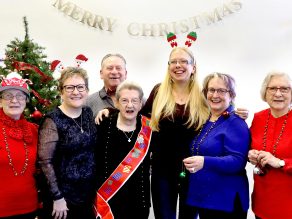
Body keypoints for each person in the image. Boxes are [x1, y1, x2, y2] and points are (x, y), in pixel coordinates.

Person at [140, 46, 210, 219]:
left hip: (193, 169)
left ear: (193, 67)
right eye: (174, 62)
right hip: (161, 169)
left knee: (190, 216)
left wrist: (235, 112)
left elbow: (220, 116)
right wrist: (111, 112)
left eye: (184, 61)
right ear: (168, 66)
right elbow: (138, 118)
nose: (178, 65)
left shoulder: (203, 95)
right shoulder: (158, 92)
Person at [183, 73, 250, 219]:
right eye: (211, 90)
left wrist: (204, 161)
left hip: (226, 201)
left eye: (221, 91)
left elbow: (238, 161)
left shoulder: (236, 122)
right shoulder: (206, 119)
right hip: (205, 198)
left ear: (231, 95)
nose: (215, 95)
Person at [38, 67, 97, 219]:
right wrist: (57, 198)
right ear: (61, 91)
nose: (75, 92)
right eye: (69, 87)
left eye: (80, 87)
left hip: (87, 195)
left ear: (87, 90)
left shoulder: (88, 113)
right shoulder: (52, 120)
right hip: (63, 200)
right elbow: (45, 162)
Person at [95, 80, 152, 219]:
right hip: (108, 199)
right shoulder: (103, 124)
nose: (130, 105)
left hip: (139, 200)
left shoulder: (150, 128)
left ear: (140, 104)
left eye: (134, 100)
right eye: (124, 100)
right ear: (117, 103)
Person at [248, 72, 292, 219]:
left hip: (288, 206)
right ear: (265, 93)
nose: (278, 93)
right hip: (262, 203)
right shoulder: (258, 117)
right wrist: (251, 155)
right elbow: (249, 146)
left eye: (284, 89)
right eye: (272, 88)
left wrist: (280, 162)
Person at [0, 72, 38, 219]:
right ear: (1, 101)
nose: (14, 100)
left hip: (29, 208)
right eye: (8, 96)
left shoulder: (34, 130)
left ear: (26, 101)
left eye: (20, 96)